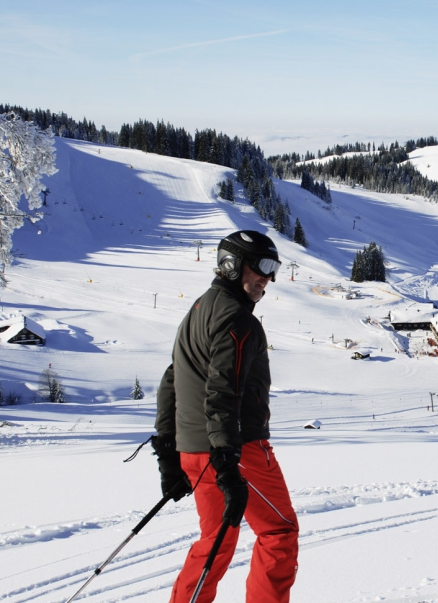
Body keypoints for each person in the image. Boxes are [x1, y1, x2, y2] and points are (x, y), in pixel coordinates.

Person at [153, 230, 298, 602]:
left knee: (218, 537)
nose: (268, 277)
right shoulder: (238, 320)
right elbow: (223, 392)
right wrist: (227, 459)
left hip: (196, 451)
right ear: (232, 264)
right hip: (237, 449)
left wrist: (169, 452)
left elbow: (173, 378)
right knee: (278, 533)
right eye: (261, 266)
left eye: (274, 268)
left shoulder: (199, 309)